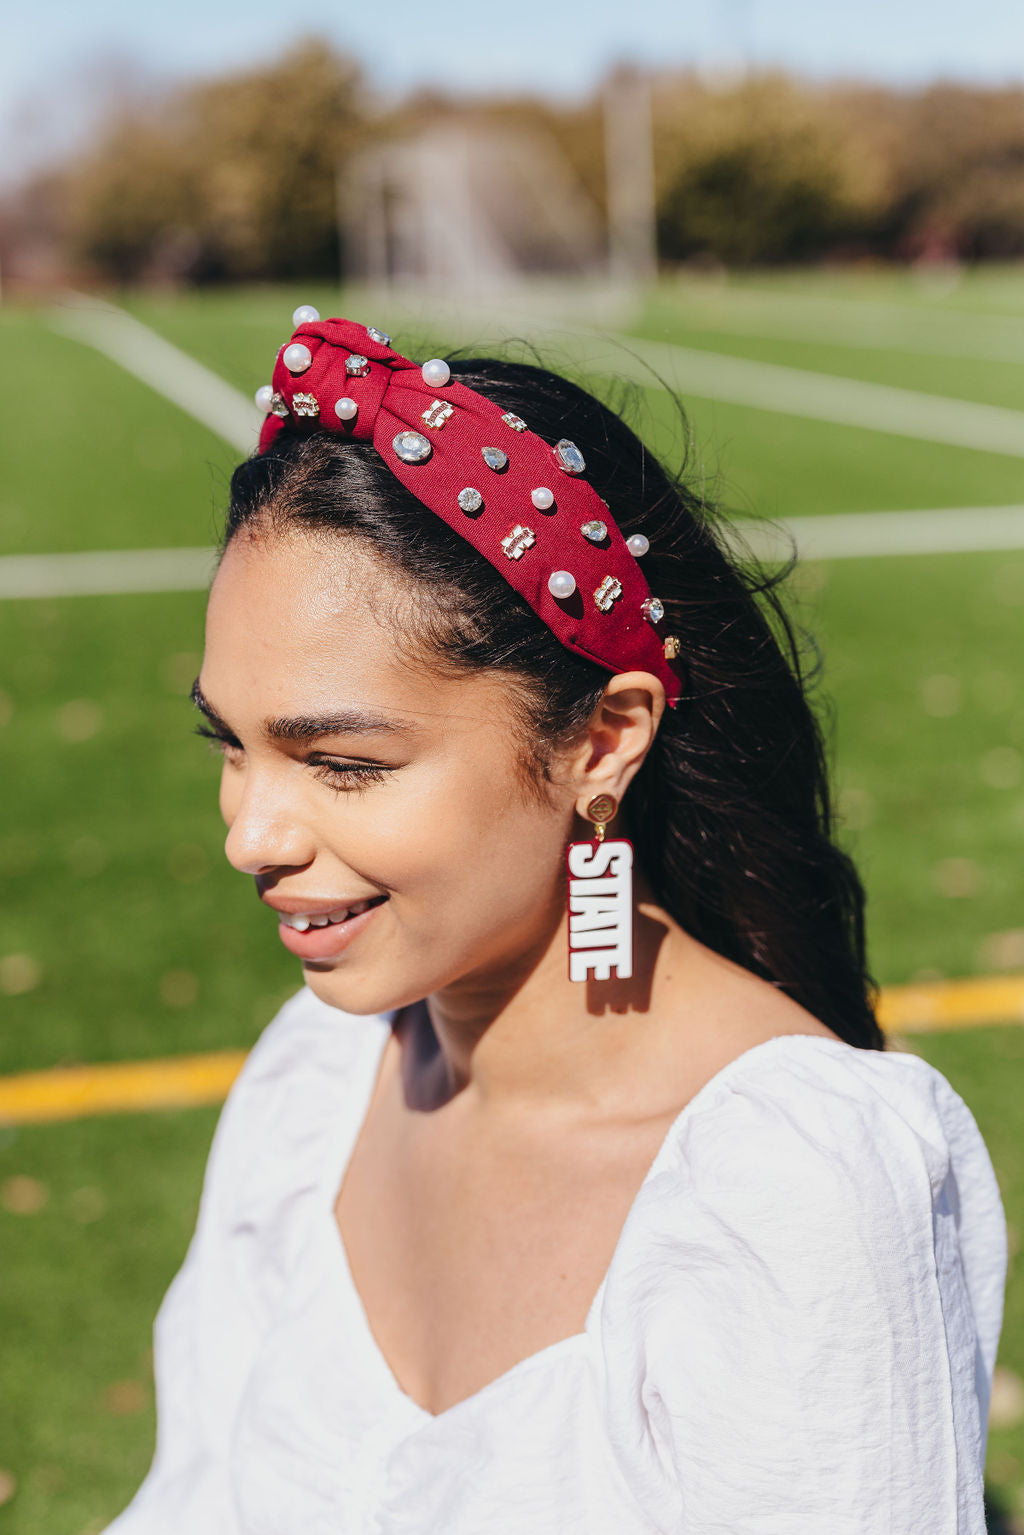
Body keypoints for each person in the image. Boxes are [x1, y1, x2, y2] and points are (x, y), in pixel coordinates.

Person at [106, 311, 1007, 1534]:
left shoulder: (791, 1189)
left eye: (346, 762)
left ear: (602, 739)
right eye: (233, 742)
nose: (250, 835)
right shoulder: (313, 1078)